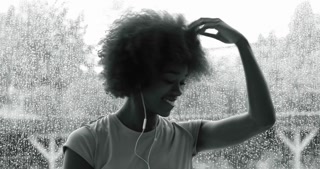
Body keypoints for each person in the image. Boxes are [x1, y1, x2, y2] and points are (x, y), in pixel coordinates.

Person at [62, 9, 276, 169]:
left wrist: (242, 45)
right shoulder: (88, 142)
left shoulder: (186, 137)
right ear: (138, 75)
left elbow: (261, 120)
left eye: (182, 82)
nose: (178, 91)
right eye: (169, 80)